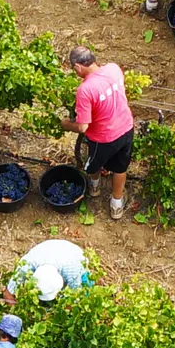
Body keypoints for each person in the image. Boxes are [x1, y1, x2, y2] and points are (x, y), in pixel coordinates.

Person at [63, 46, 135, 221]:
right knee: (120, 167)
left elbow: (83, 127)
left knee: (93, 166)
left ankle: (94, 187)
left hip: (103, 139)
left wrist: (65, 124)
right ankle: (116, 204)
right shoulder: (114, 68)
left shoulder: (85, 90)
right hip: (126, 128)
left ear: (78, 67)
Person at [4, 238, 91, 303]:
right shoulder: (26, 265)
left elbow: (74, 298)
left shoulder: (73, 270)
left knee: (85, 292)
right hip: (47, 250)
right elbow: (8, 293)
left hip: (73, 254)